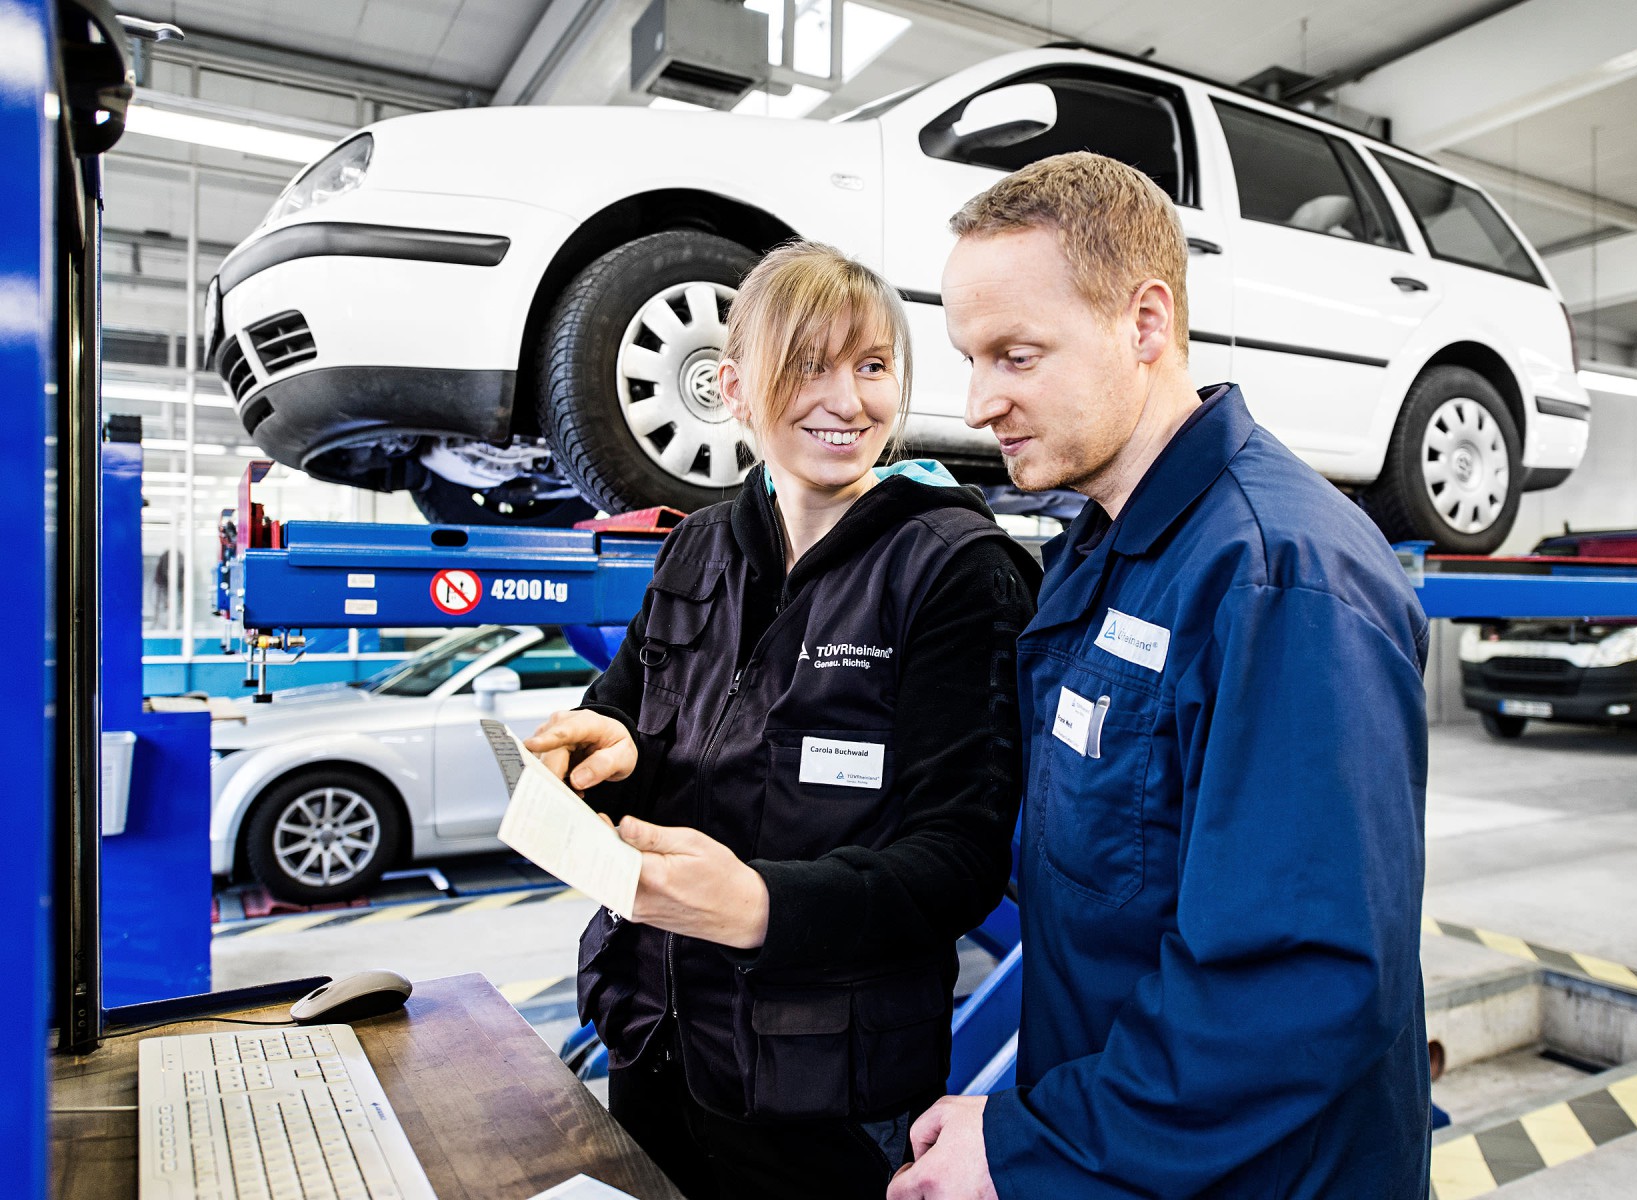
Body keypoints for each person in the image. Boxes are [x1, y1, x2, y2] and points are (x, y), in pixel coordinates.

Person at [891, 153, 1431, 1199]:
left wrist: (1031, 1144)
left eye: (1015, 354)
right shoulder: (1105, 549)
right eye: (970, 359)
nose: (978, 403)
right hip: (1133, 1151)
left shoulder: (1278, 579)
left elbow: (1295, 986)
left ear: (1145, 324)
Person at [525, 240, 1039, 1200]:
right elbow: (631, 720)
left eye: (873, 367)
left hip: (829, 1085)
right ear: (733, 385)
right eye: (809, 364)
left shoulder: (954, 569)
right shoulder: (700, 548)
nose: (846, 401)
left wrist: (761, 906)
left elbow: (961, 856)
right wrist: (611, 752)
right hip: (655, 1035)